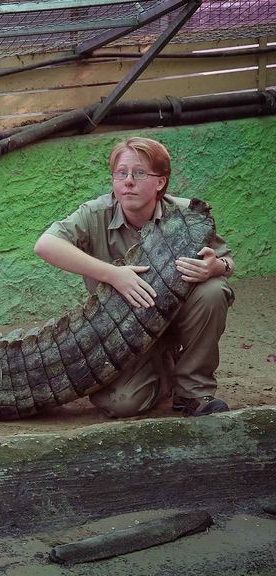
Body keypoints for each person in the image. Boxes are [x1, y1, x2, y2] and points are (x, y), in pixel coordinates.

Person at [34, 137, 235, 418]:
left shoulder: (187, 215)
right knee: (122, 403)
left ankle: (193, 392)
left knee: (213, 291)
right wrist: (113, 274)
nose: (128, 181)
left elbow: (227, 262)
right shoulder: (95, 213)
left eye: (139, 173)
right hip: (123, 330)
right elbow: (45, 245)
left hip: (178, 319)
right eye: (121, 173)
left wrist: (216, 267)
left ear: (160, 182)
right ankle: (164, 369)